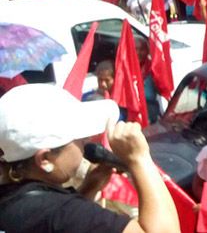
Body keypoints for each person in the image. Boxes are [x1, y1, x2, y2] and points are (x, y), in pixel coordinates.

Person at [0, 84, 179, 232]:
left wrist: (89, 188)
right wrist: (140, 159)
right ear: (45, 159)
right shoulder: (65, 213)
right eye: (78, 139)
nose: (86, 142)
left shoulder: (13, 196)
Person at [135, 38, 161, 123]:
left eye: (142, 49)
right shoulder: (127, 69)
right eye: (136, 49)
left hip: (150, 112)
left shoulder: (153, 69)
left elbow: (160, 91)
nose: (138, 53)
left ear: (147, 51)